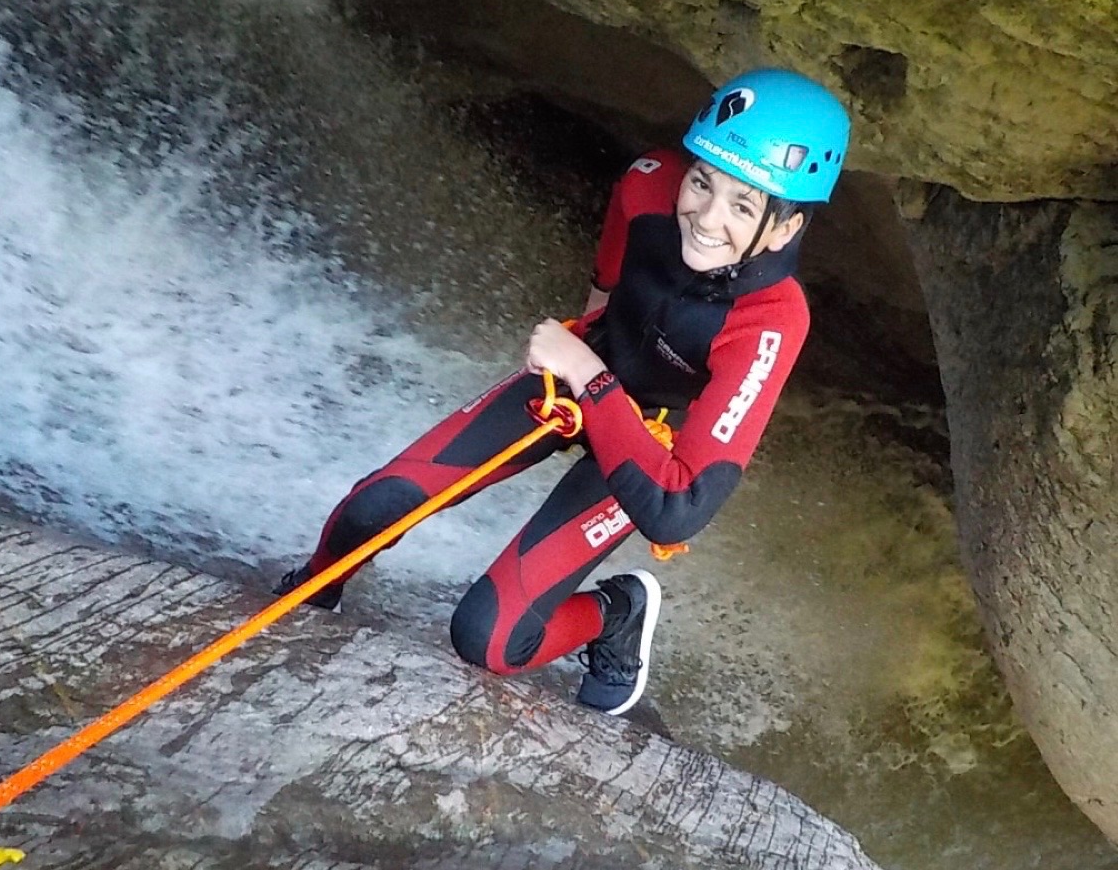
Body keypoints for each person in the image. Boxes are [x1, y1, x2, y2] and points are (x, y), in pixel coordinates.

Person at [276, 67, 851, 716]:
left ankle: (618, 613)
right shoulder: (648, 184)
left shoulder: (771, 320)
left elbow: (677, 507)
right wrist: (592, 331)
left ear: (786, 229)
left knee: (488, 636)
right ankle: (310, 593)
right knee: (376, 507)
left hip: (644, 442)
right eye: (702, 182)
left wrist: (587, 374)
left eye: (743, 205)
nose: (706, 217)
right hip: (585, 371)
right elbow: (613, 261)